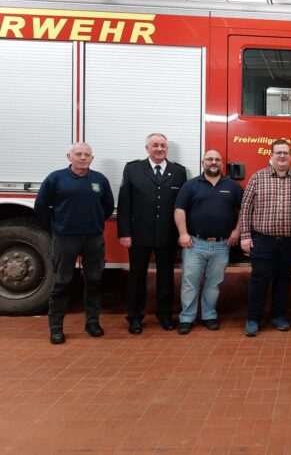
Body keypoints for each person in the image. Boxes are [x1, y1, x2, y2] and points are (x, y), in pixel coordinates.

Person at [34, 143, 114, 344]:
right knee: (62, 282)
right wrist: (56, 227)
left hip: (93, 238)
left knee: (94, 281)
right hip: (65, 239)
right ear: (69, 156)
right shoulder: (56, 178)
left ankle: (92, 323)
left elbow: (107, 206)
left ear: (92, 159)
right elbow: (41, 206)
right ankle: (56, 328)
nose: (82, 157)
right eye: (78, 154)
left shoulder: (99, 180)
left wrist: (93, 223)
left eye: (87, 155)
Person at [117, 133, 188, 335]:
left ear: (167, 149)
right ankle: (134, 317)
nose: (159, 149)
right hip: (139, 234)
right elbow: (124, 203)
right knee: (137, 277)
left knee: (166, 278)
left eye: (163, 146)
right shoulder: (133, 169)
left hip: (167, 234)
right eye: (155, 145)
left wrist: (181, 233)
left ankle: (165, 315)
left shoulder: (178, 171)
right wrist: (125, 233)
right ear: (147, 148)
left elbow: (182, 205)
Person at [240, 139, 291, 337]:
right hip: (263, 240)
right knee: (259, 279)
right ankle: (253, 318)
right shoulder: (257, 178)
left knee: (284, 279)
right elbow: (246, 208)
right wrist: (245, 235)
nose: (282, 156)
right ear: (271, 155)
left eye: (286, 153)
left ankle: (278, 316)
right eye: (278, 153)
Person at [174, 150, 243, 335]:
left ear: (222, 163)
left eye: (217, 159)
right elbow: (179, 210)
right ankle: (187, 318)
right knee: (190, 282)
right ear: (203, 162)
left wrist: (237, 231)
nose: (214, 162)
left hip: (222, 245)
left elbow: (245, 210)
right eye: (210, 159)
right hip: (195, 243)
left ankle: (209, 315)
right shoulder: (190, 185)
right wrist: (183, 234)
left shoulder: (233, 186)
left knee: (214, 283)